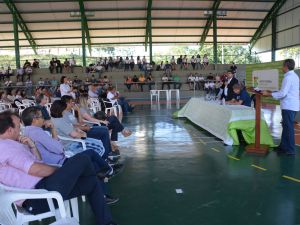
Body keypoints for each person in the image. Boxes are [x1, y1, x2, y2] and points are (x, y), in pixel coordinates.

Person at [0, 110, 117, 225]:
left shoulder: (11, 143)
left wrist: (33, 147)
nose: (20, 128)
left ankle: (107, 222)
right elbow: (36, 169)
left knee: (91, 182)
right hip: (38, 197)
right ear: (9, 130)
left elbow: (39, 161)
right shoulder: (5, 147)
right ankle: (103, 173)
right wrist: (62, 171)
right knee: (83, 159)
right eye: (17, 126)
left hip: (42, 190)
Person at [262, 59, 299, 155]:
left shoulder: (288, 78)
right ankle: (283, 147)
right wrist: (272, 92)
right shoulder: (293, 76)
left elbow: (283, 93)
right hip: (291, 105)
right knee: (286, 127)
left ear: (286, 67)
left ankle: (290, 150)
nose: (282, 68)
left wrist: (269, 94)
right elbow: (285, 91)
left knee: (289, 128)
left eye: (283, 66)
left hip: (289, 106)